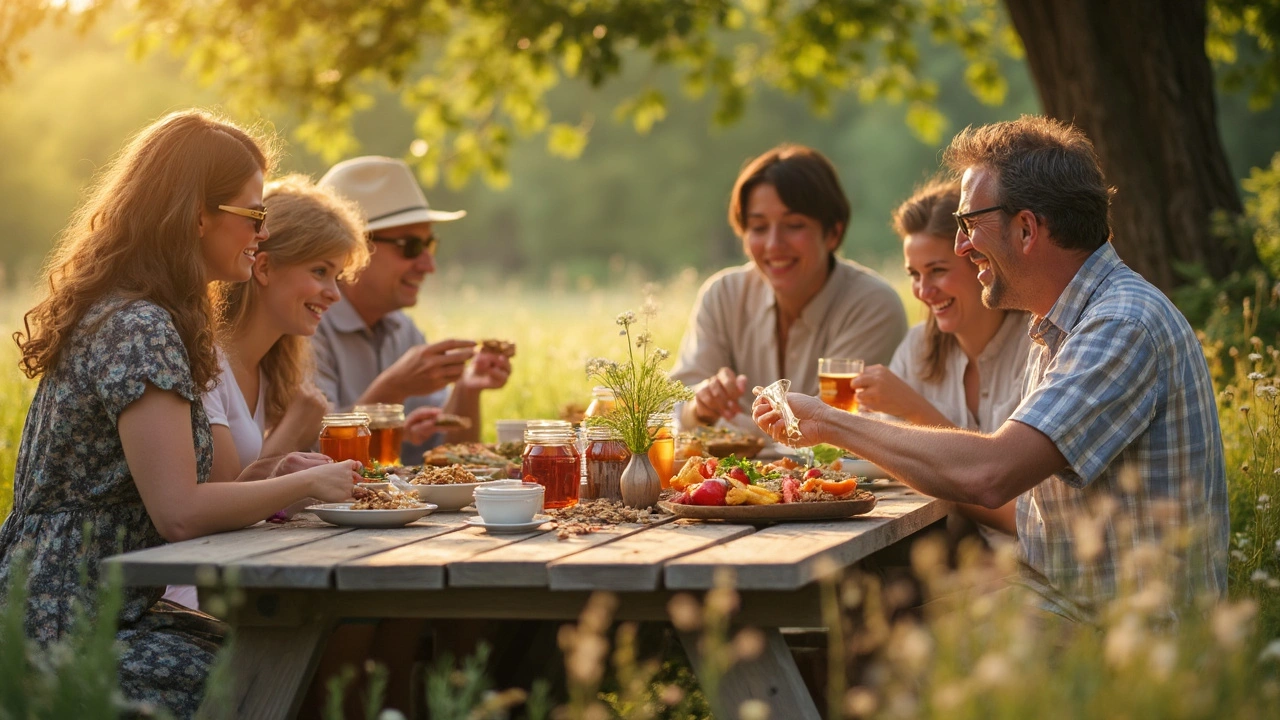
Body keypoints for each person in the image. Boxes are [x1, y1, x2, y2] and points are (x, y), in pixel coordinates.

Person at [754, 116, 1228, 624]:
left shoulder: (1121, 324)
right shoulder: (1059, 324)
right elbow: (1021, 504)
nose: (960, 247)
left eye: (968, 224)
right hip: (1059, 598)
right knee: (865, 627)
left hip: (1122, 630)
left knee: (876, 652)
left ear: (1026, 229)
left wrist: (828, 421)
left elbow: (990, 474)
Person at [0, 110, 362, 717]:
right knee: (269, 670)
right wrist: (308, 482)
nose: (262, 234)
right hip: (64, 620)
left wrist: (266, 479)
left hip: (100, 603)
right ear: (198, 214)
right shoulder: (139, 327)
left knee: (302, 656)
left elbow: (174, 494)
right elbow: (178, 514)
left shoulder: (145, 316)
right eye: (253, 215)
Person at [162, 175, 372, 610]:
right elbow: (219, 512)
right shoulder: (207, 363)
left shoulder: (271, 370)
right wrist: (291, 437)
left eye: (336, 276)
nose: (333, 293)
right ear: (263, 267)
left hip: (237, 575)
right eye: (320, 271)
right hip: (190, 593)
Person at [670, 144, 907, 437]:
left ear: (833, 232)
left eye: (794, 225)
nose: (773, 244)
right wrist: (701, 407)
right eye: (758, 227)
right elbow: (673, 409)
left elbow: (830, 430)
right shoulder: (722, 295)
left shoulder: (873, 306)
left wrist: (726, 425)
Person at [854, 179, 1030, 543]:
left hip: (1025, 567)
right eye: (914, 275)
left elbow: (1020, 514)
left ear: (979, 262)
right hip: (950, 551)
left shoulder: (1035, 345)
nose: (923, 290)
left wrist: (914, 411)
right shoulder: (918, 346)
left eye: (937, 270)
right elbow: (889, 462)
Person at [314, 156, 512, 463]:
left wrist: (466, 389)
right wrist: (392, 389)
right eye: (411, 247)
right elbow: (312, 456)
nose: (428, 265)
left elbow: (449, 455)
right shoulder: (307, 328)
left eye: (429, 246)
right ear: (352, 248)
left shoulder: (401, 328)